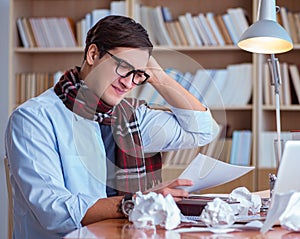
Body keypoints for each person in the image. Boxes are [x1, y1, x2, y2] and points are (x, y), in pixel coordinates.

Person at [5, 15, 219, 239]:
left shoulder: (133, 119)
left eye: (138, 75)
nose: (128, 83)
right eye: (123, 67)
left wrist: (157, 76)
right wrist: (135, 203)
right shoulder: (33, 119)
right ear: (93, 54)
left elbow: (202, 130)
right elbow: (54, 211)